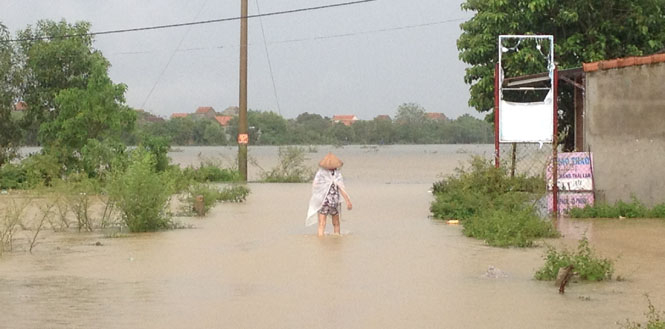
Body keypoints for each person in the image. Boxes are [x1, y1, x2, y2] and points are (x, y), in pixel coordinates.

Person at [306, 152, 352, 236]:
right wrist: (348, 201)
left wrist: (316, 197)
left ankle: (321, 240)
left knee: (321, 224)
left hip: (323, 202)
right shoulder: (337, 174)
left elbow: (315, 186)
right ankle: (337, 238)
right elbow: (341, 188)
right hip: (334, 202)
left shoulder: (320, 173)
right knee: (336, 223)